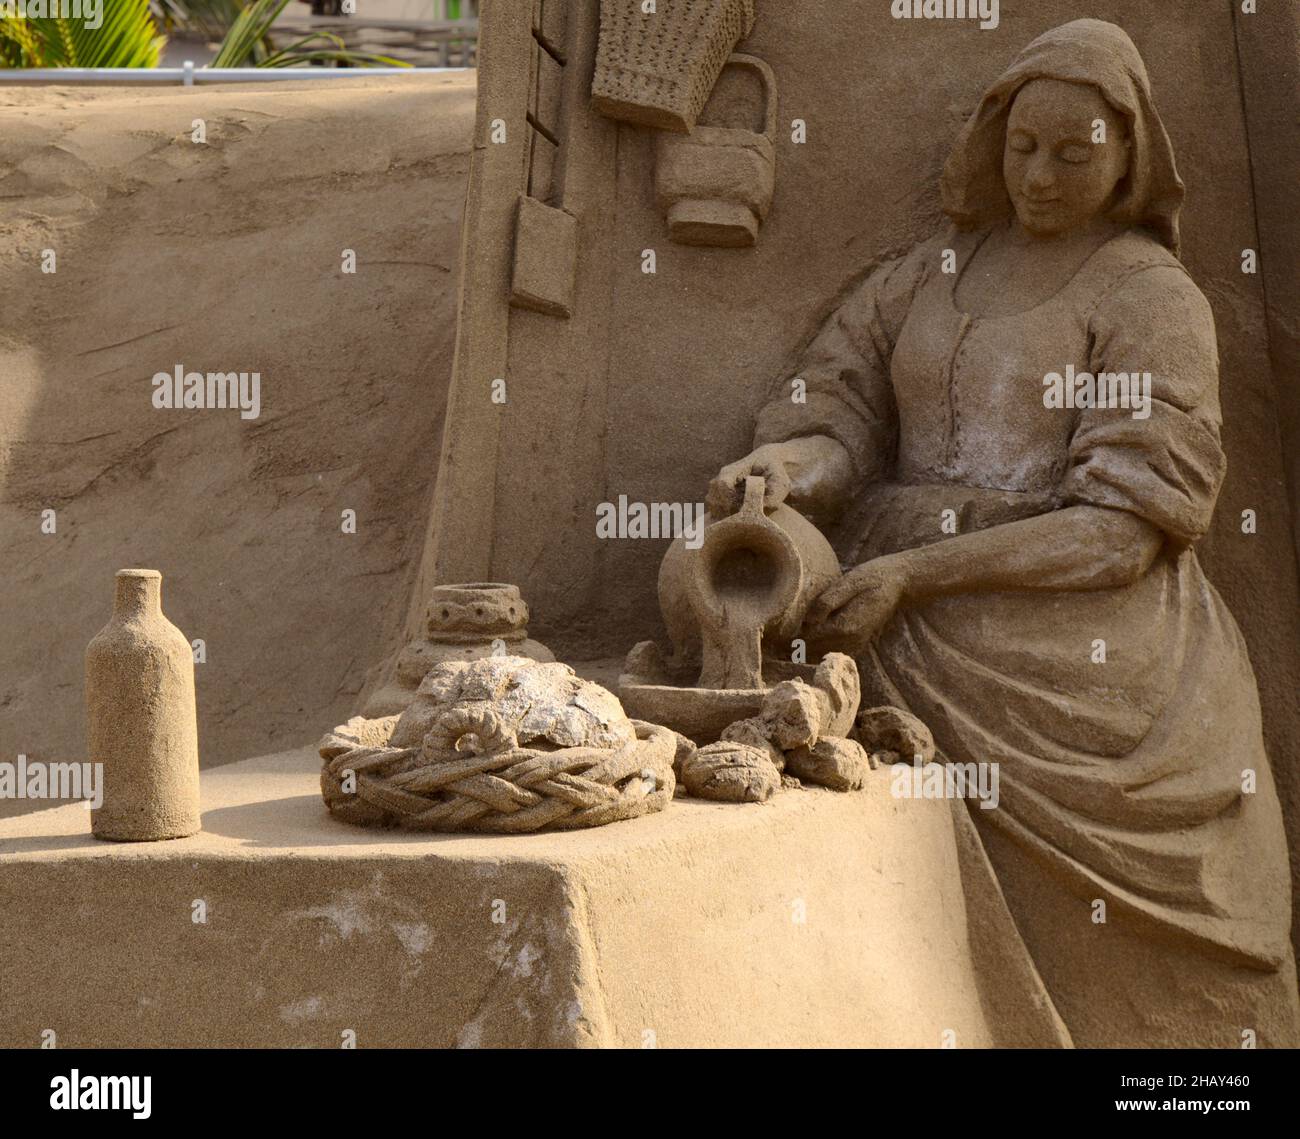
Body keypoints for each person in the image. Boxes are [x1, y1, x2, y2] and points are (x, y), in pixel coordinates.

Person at [707, 19, 1300, 1047]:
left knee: (1149, 987)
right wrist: (788, 466)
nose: (1040, 174)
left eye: (1075, 153)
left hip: (1091, 670)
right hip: (900, 634)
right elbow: (839, 415)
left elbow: (1121, 533)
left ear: (1127, 157)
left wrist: (917, 573)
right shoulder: (924, 276)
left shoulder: (1150, 296)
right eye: (1024, 145)